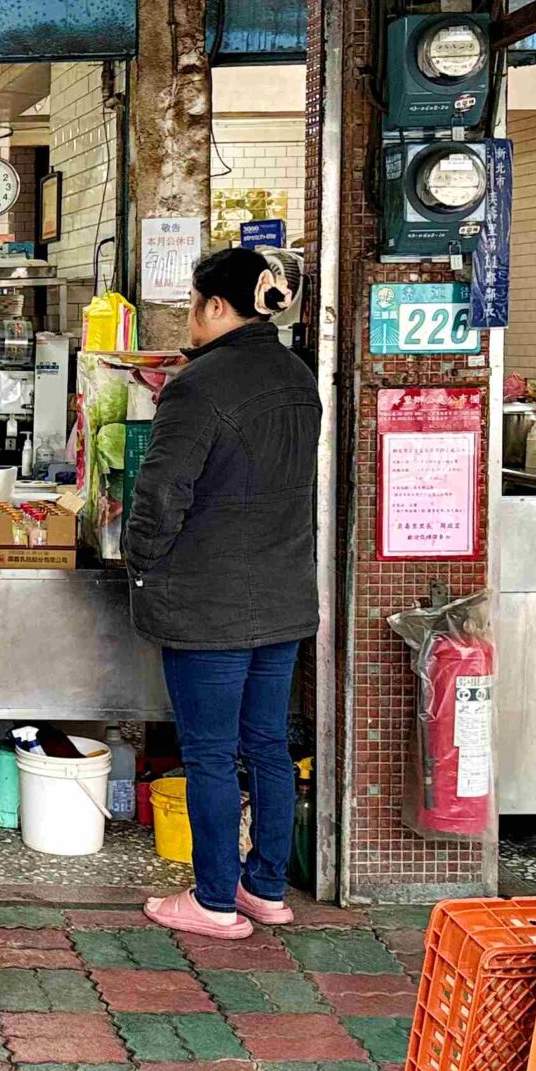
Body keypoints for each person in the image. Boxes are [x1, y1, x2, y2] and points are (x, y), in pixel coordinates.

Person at [127, 246, 320, 942]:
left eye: (193, 305)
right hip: (284, 593)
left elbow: (161, 490)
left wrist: (142, 559)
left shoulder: (199, 385)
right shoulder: (299, 376)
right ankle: (264, 887)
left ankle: (211, 899)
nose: (191, 318)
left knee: (209, 751)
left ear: (214, 305)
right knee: (267, 741)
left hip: (210, 599)